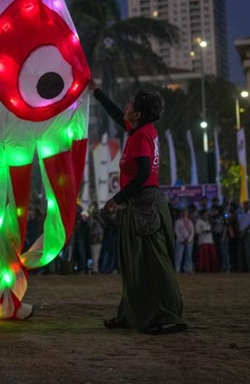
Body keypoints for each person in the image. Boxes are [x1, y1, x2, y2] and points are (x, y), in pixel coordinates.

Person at [91, 82, 187, 335]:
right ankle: (130, 314)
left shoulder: (142, 135)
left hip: (146, 206)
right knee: (133, 264)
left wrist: (117, 199)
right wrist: (98, 92)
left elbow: (143, 173)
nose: (126, 106)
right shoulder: (140, 131)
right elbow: (115, 113)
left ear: (138, 114)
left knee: (155, 263)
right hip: (141, 205)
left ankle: (170, 316)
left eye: (130, 104)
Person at [173, 209, 195, 273]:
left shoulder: (190, 222)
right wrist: (181, 239)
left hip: (189, 241)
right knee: (178, 255)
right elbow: (176, 231)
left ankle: (188, 268)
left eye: (185, 213)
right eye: (183, 213)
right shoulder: (178, 222)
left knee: (188, 255)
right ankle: (177, 268)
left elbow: (192, 231)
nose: (184, 214)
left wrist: (189, 239)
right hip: (180, 241)